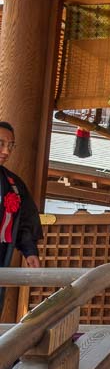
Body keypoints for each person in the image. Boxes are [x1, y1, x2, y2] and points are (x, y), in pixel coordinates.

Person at [0, 121, 43, 311]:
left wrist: (30, 250)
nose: (6, 151)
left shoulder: (12, 184)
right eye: (1, 144)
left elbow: (25, 218)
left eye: (10, 146)